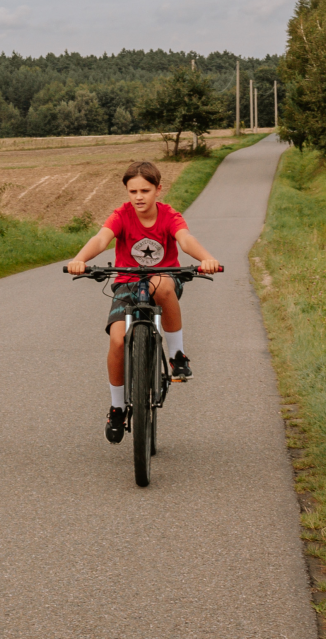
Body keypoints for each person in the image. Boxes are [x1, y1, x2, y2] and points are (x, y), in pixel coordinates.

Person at [66, 160, 219, 444]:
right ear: (126, 191)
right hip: (127, 282)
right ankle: (117, 408)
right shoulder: (121, 215)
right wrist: (80, 260)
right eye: (132, 191)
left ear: (158, 190)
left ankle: (177, 356)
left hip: (166, 280)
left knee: (159, 285)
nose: (138, 197)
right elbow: (101, 239)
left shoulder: (169, 216)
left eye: (145, 190)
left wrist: (205, 259)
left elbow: (185, 240)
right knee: (116, 340)